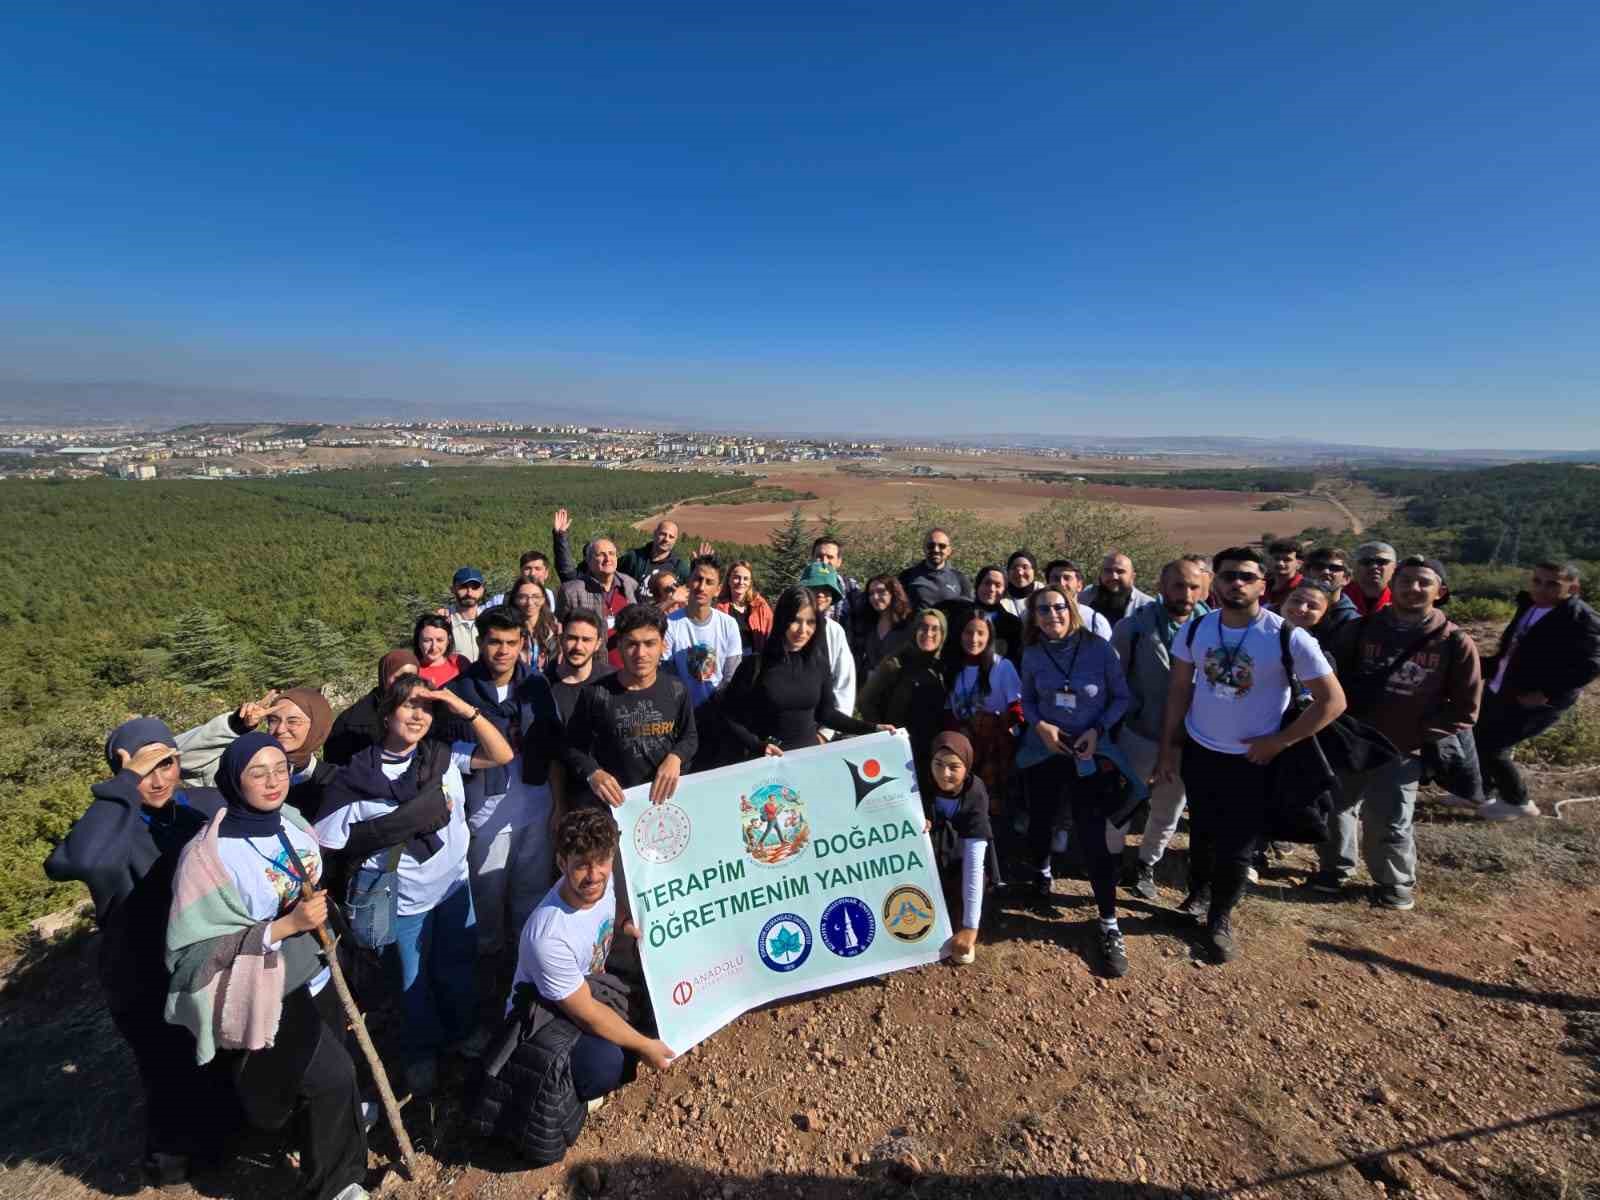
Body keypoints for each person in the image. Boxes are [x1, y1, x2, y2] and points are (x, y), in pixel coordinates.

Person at [165, 733, 370, 1200]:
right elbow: (194, 949)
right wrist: (281, 927)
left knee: (329, 1072)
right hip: (270, 987)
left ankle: (322, 1144)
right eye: (257, 773)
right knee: (331, 1076)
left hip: (318, 968)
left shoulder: (292, 821)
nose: (273, 781)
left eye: (280, 769)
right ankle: (336, 1185)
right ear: (234, 781)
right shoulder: (209, 855)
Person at [44, 720, 240, 1187]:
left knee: (207, 1057)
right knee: (166, 1071)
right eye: (142, 769)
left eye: (167, 763)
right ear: (120, 773)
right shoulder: (112, 829)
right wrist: (123, 787)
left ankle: (216, 1144)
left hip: (192, 966)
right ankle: (168, 1162)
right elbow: (80, 861)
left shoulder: (190, 816)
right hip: (138, 974)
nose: (157, 779)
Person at [318, 676, 513, 1093]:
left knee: (458, 965)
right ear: (387, 714)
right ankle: (420, 1053)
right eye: (408, 706)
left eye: (425, 708)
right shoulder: (357, 777)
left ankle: (463, 1033)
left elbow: (502, 754)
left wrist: (463, 708)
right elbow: (328, 841)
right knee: (412, 983)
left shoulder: (442, 756)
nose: (418, 715)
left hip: (454, 887)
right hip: (404, 898)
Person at [1157, 547, 1346, 964]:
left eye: (1245, 576)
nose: (1235, 584)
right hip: (1201, 749)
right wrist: (1169, 749)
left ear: (1265, 584)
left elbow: (1332, 702)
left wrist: (1279, 742)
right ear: (1214, 583)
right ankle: (1197, 897)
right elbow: (1179, 692)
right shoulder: (1196, 630)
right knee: (1203, 831)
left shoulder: (1287, 636)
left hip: (1254, 760)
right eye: (1226, 576)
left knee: (1238, 843)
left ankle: (1220, 917)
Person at [1313, 557, 1481, 908]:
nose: (1412, 588)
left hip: (1403, 748)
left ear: (1441, 591)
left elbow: (1466, 706)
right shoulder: (1360, 629)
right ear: (1394, 584)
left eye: (1423, 582)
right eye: (1405, 580)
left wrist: (1422, 734)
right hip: (1353, 739)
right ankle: (1334, 869)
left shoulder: (1454, 641)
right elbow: (1332, 678)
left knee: (1389, 817)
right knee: (1335, 806)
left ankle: (1393, 883)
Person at [503, 805, 675, 1123]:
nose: (594, 875)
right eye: (581, 866)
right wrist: (645, 1046)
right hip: (543, 1011)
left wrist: (628, 926)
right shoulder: (549, 936)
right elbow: (589, 1014)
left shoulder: (601, 883)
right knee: (606, 1063)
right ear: (561, 863)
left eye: (602, 862)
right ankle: (577, 1093)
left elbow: (614, 909)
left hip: (588, 985)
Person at [1018, 585, 1133, 977]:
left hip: (1089, 751)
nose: (1052, 614)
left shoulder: (1099, 649)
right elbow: (1028, 699)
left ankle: (1108, 922)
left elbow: (1121, 697)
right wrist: (1041, 725)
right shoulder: (1033, 654)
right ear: (1035, 617)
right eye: (1043, 609)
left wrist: (1098, 730)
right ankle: (1042, 875)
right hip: (1047, 749)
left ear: (1072, 609)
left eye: (1059, 607)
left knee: (1092, 836)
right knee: (1041, 819)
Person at [448, 607, 567, 959]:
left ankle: (525, 961)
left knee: (531, 892)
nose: (503, 651)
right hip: (486, 814)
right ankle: (489, 965)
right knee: (487, 896)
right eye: (494, 642)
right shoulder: (458, 694)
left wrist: (558, 804)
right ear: (480, 642)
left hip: (535, 805)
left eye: (511, 643)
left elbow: (553, 747)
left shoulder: (535, 686)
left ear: (522, 643)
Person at [1111, 556, 1210, 902]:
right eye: (1179, 585)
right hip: (1139, 733)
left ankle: (1145, 864)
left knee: (1168, 807)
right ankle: (1110, 858)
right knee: (1122, 801)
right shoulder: (1133, 628)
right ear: (1162, 587)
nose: (1186, 593)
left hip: (1188, 737)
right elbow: (1115, 681)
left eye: (1194, 586)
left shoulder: (1214, 632)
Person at [1475, 561, 1600, 820]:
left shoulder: (1581, 618)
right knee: (1477, 737)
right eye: (1537, 581)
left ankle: (1517, 802)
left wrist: (1548, 692)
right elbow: (1511, 648)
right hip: (1503, 686)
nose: (1542, 588)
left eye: (1552, 583)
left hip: (1536, 699)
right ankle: (1481, 792)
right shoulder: (1530, 606)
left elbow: (1591, 665)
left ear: (1572, 587)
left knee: (1492, 746)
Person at [723, 587, 887, 757]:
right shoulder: (755, 665)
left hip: (810, 763)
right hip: (769, 771)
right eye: (796, 620)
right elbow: (730, 717)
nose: (803, 630)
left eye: (810, 622)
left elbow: (827, 714)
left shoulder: (819, 663)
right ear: (782, 620)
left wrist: (872, 728)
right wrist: (757, 746)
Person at [561, 604, 698, 807]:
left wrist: (676, 757)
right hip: (616, 808)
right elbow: (573, 748)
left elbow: (689, 736)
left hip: (668, 802)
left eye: (649, 643)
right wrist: (593, 774)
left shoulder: (677, 689)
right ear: (621, 647)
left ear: (663, 646)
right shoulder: (596, 694)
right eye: (632, 644)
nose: (640, 653)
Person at [177, 688, 337, 822]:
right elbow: (178, 758)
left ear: (317, 726)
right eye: (273, 720)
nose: (280, 729)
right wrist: (236, 726)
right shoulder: (240, 767)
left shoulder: (331, 782)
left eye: (293, 721)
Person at [943, 606, 1024, 817]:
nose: (974, 638)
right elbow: (950, 711)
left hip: (995, 747)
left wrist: (990, 725)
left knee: (993, 806)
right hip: (963, 747)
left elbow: (1017, 709)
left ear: (990, 636)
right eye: (968, 632)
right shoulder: (952, 668)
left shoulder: (1002, 666)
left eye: (980, 633)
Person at [861, 607, 951, 794]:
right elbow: (865, 701)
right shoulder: (895, 663)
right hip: (901, 747)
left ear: (943, 634)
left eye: (935, 629)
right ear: (914, 630)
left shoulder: (946, 666)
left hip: (935, 748)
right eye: (923, 628)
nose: (929, 633)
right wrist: (882, 732)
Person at [923, 732, 993, 966]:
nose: (944, 774)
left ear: (967, 767)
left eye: (954, 767)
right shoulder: (920, 786)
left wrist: (970, 927)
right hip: (929, 862)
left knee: (957, 939)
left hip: (959, 864)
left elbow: (974, 863)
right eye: (938, 764)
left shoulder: (975, 794)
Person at [666, 556, 743, 765]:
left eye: (709, 582)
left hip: (718, 715)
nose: (701, 587)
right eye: (698, 579)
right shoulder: (670, 624)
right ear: (689, 581)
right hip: (681, 718)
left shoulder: (728, 625)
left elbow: (731, 674)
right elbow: (668, 675)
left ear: (718, 589)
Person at [556, 535, 640, 669]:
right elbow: (559, 632)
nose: (608, 559)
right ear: (588, 561)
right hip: (590, 670)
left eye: (611, 554)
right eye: (601, 554)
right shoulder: (572, 592)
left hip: (627, 669)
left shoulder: (630, 585)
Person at [325, 650, 420, 766]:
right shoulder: (352, 722)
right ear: (384, 677)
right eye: (399, 677)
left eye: (412, 678)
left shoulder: (423, 714)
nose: (406, 684)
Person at [799, 562, 858, 731]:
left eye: (827, 590)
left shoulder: (835, 631)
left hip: (827, 725)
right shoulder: (788, 627)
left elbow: (844, 682)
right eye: (815, 588)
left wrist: (827, 733)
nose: (821, 595)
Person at [852, 573, 914, 677]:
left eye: (881, 591)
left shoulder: (908, 623)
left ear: (893, 592)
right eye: (871, 593)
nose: (875, 597)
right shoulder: (867, 623)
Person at [899, 526, 972, 610]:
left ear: (949, 551)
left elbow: (968, 611)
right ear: (924, 548)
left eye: (942, 546)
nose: (936, 550)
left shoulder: (960, 579)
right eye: (931, 545)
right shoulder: (907, 576)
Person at [1303, 548, 1362, 650]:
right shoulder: (1292, 612)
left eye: (1334, 568)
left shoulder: (1353, 622)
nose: (1326, 572)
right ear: (1307, 573)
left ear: (1346, 578)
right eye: (1319, 567)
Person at [1080, 552, 1155, 628]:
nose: (1114, 577)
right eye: (1108, 571)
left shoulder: (1148, 608)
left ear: (1132, 576)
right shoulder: (1083, 598)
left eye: (1120, 572)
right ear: (1100, 574)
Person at [716, 559, 774, 656]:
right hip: (729, 664)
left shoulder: (760, 607)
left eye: (745, 579)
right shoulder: (719, 609)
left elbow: (771, 634)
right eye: (736, 577)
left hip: (755, 664)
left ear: (750, 583)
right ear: (729, 580)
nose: (741, 582)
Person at [1043, 559, 1113, 639]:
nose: (1061, 583)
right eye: (1055, 578)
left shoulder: (1095, 621)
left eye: (1067, 578)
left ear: (1079, 585)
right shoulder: (1036, 618)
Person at [972, 566, 1025, 664]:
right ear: (978, 585)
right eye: (987, 583)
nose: (991, 589)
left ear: (1004, 591)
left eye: (998, 585)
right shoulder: (962, 617)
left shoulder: (1013, 624)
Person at [508, 576, 561, 671]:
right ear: (515, 599)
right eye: (523, 597)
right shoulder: (507, 629)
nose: (529, 602)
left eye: (535, 596)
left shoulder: (555, 628)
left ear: (543, 599)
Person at [812, 535, 864, 631]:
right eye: (819, 556)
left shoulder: (850, 587)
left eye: (830, 557)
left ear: (839, 562)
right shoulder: (802, 588)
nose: (824, 561)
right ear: (812, 559)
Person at [619, 520, 689, 588]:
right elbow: (613, 573)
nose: (666, 539)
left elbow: (691, 590)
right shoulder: (634, 557)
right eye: (663, 534)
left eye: (671, 537)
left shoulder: (679, 567)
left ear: (675, 541)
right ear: (655, 533)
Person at [415, 612, 470, 686]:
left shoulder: (460, 663)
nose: (434, 647)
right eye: (427, 640)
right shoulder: (412, 670)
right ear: (418, 641)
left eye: (440, 640)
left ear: (448, 641)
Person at [1345, 541, 1396, 617]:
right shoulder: (1340, 597)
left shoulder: (1404, 598)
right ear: (1355, 567)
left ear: (1394, 567)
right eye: (1366, 562)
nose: (1374, 566)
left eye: (1381, 562)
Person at [447, 566, 489, 661]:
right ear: (452, 589)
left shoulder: (490, 621)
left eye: (475, 587)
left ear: (482, 589)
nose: (469, 592)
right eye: (463, 586)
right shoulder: (445, 622)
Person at [1263, 539, 1305, 610]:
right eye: (1276, 559)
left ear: (1299, 564)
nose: (1280, 563)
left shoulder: (1303, 589)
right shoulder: (1262, 586)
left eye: (1287, 560)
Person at [1000, 550, 1041, 619]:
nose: (1020, 573)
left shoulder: (1045, 594)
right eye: (1014, 568)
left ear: (1034, 571)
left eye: (1025, 567)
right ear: (1008, 572)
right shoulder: (999, 597)